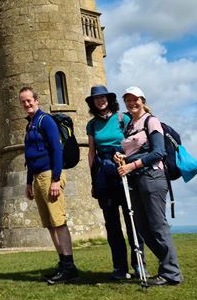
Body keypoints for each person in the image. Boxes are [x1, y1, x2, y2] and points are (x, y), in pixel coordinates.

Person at [115, 86, 183, 286]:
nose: (131, 103)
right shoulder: (130, 126)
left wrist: (131, 165)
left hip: (153, 177)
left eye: (135, 99)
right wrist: (121, 156)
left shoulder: (151, 121)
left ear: (142, 100)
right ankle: (168, 266)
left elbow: (158, 152)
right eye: (128, 100)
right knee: (143, 227)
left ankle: (171, 273)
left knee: (158, 226)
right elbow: (135, 149)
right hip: (136, 180)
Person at [86, 84, 146, 280]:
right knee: (111, 223)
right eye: (96, 98)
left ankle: (139, 265)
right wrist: (93, 180)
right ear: (93, 102)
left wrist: (125, 158)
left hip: (123, 169)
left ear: (109, 99)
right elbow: (91, 153)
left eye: (103, 97)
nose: (100, 100)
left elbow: (135, 144)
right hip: (103, 173)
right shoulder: (92, 125)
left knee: (132, 219)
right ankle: (120, 268)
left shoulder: (123, 119)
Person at [20, 87, 79, 285]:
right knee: (49, 224)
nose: (27, 104)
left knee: (58, 221)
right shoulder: (30, 125)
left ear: (37, 100)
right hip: (37, 177)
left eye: (29, 100)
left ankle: (70, 267)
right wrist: (29, 182)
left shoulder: (45, 121)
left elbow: (56, 150)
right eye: (23, 102)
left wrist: (55, 179)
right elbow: (30, 156)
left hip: (49, 174)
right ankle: (63, 263)